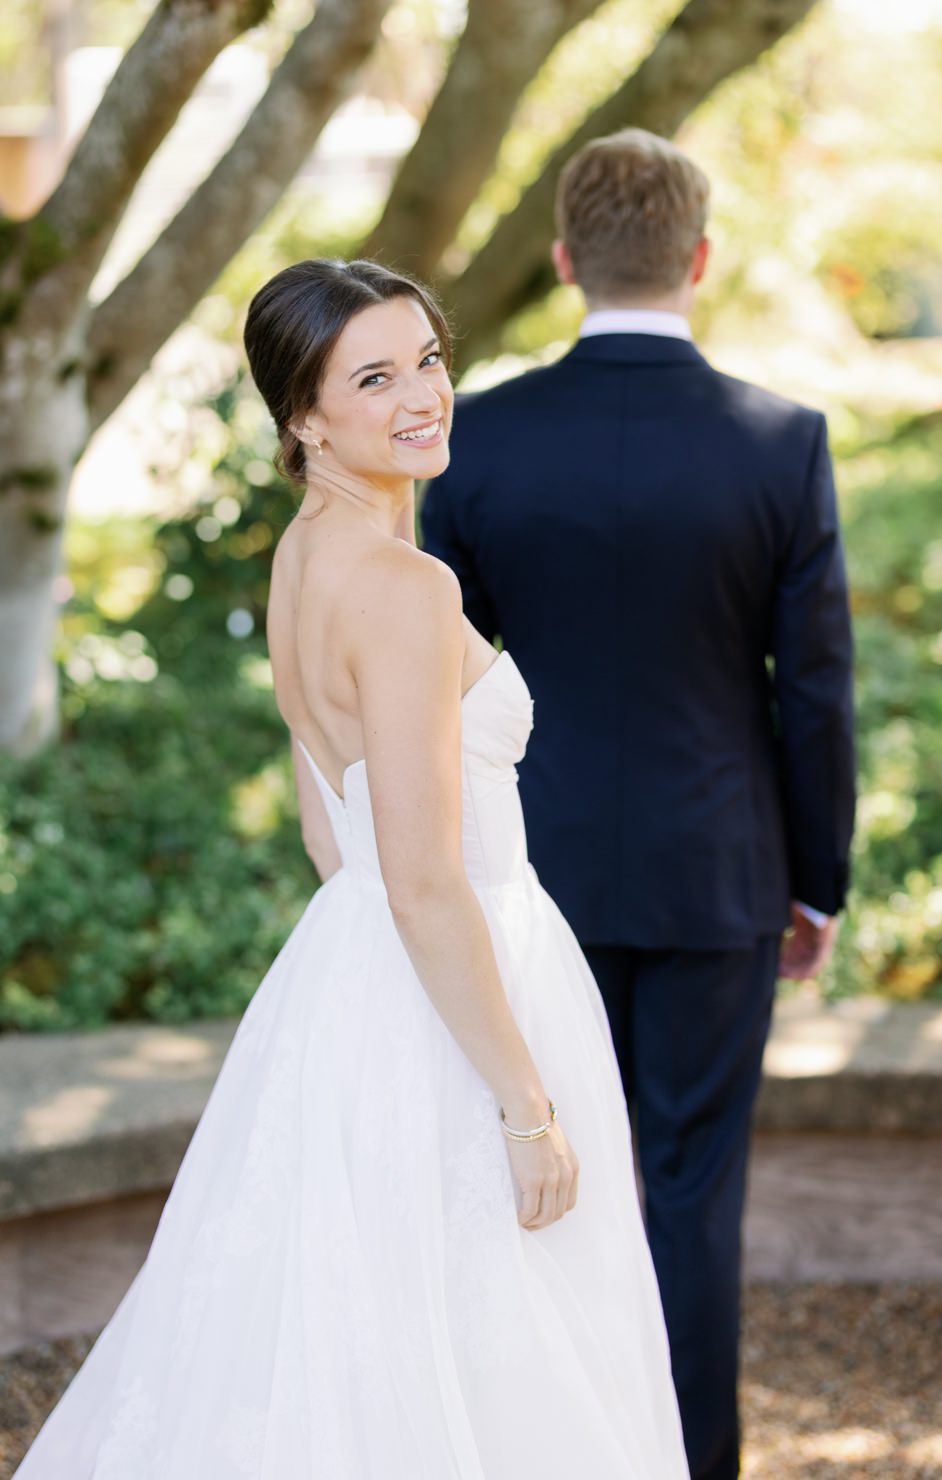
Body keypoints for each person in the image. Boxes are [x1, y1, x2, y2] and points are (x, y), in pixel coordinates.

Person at [17, 258, 686, 1478]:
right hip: (460, 987)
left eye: (426, 359)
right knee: (496, 1345)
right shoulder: (404, 587)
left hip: (355, 975)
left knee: (360, 1338)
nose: (421, 394)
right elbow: (425, 878)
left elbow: (334, 833)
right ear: (303, 417)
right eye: (372, 377)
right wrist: (527, 1106)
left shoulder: (304, 556)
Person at [419, 129, 856, 1480]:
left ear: (562, 263)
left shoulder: (474, 441)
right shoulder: (782, 443)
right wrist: (816, 878)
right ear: (701, 260)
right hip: (720, 875)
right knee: (690, 1195)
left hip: (522, 873)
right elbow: (817, 691)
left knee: (529, 1178)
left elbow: (441, 684)